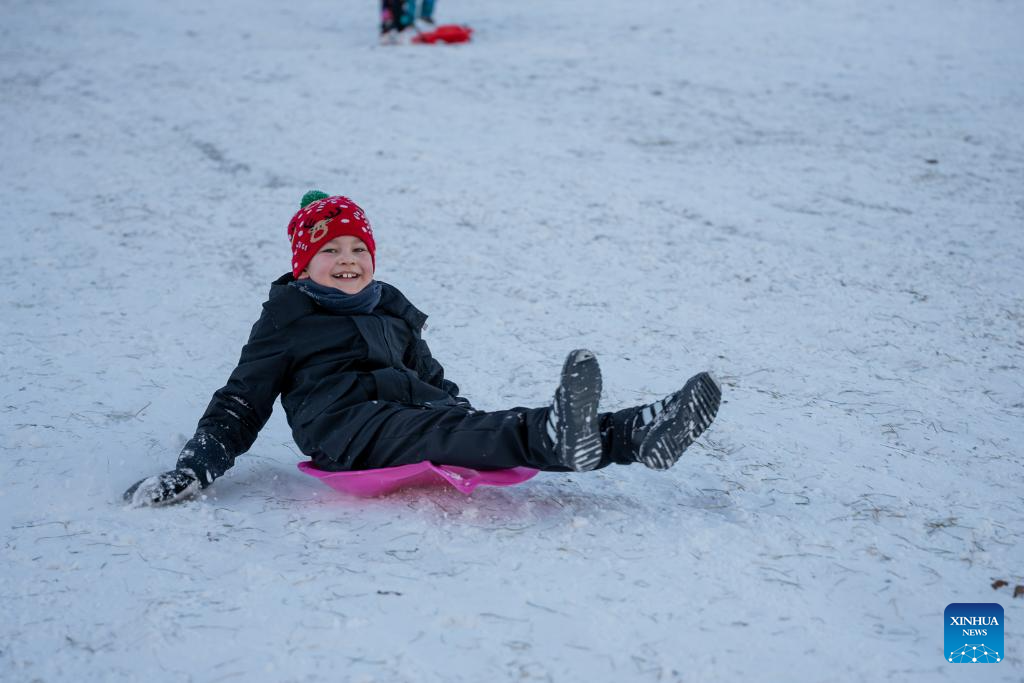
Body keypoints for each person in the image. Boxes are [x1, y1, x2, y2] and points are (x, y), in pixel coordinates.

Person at [123, 191, 722, 506]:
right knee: (455, 431)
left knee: (477, 427)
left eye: (358, 250)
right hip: (347, 432)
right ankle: (564, 432)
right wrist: (196, 466)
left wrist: (456, 410)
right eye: (330, 251)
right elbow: (241, 400)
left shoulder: (390, 309)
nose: (347, 261)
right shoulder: (287, 319)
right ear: (303, 264)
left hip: (407, 416)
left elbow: (430, 375)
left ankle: (637, 433)